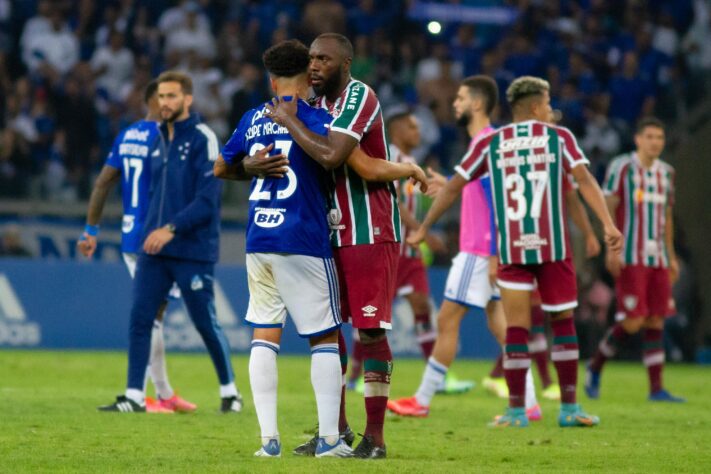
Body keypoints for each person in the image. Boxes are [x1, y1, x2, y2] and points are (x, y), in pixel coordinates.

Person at [408, 76, 622, 428]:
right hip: (552, 248)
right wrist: (607, 225)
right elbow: (584, 181)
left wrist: (424, 226)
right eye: (548, 101)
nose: (551, 108)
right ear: (537, 107)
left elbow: (452, 188)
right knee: (562, 324)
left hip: (512, 250)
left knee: (517, 329)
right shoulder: (560, 138)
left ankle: (516, 411)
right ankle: (570, 409)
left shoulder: (493, 142)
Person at [266, 33, 404, 459]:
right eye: (310, 59)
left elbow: (333, 156)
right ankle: (336, 431)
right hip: (329, 232)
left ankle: (376, 438)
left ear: (346, 64)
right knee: (328, 330)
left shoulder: (359, 96)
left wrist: (288, 121)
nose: (314, 66)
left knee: (369, 331)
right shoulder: (318, 105)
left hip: (368, 228)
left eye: (323, 59)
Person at [98, 71, 242, 413]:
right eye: (161, 97)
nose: (165, 103)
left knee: (204, 321)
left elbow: (208, 201)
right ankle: (134, 395)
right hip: (155, 249)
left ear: (188, 100)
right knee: (140, 318)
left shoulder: (204, 138)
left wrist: (171, 229)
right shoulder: (156, 140)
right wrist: (152, 229)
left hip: (191, 249)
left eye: (172, 96)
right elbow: (152, 193)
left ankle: (230, 391)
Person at [388, 76, 524, 418]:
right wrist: (449, 182)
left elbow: (497, 200)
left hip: (479, 249)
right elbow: (483, 189)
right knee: (501, 327)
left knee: (447, 318)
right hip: (488, 248)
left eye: (461, 98)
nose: (455, 103)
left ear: (477, 104)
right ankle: (529, 403)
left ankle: (421, 400)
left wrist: (492, 254)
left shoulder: (485, 142)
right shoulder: (488, 142)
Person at [78, 81, 195, 414]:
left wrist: (91, 230)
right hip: (155, 235)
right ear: (157, 102)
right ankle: (141, 396)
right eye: (168, 97)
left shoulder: (127, 134)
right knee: (153, 316)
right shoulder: (165, 137)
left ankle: (163, 393)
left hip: (131, 235)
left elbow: (103, 182)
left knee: (155, 313)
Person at [346, 112, 468, 394]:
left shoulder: (412, 164)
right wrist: (421, 230)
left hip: (410, 254)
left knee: (422, 308)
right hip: (389, 250)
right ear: (398, 130)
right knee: (370, 314)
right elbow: (394, 203)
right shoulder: (390, 159)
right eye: (412, 126)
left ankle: (436, 378)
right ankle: (355, 375)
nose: (418, 131)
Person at [585, 117, 685, 402]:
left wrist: (672, 257)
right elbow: (610, 206)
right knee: (632, 321)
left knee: (656, 319)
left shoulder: (667, 173)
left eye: (660, 138)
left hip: (659, 258)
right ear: (638, 139)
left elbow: (666, 217)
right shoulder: (622, 167)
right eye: (650, 136)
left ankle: (656, 389)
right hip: (631, 255)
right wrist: (612, 250)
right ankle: (594, 367)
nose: (656, 142)